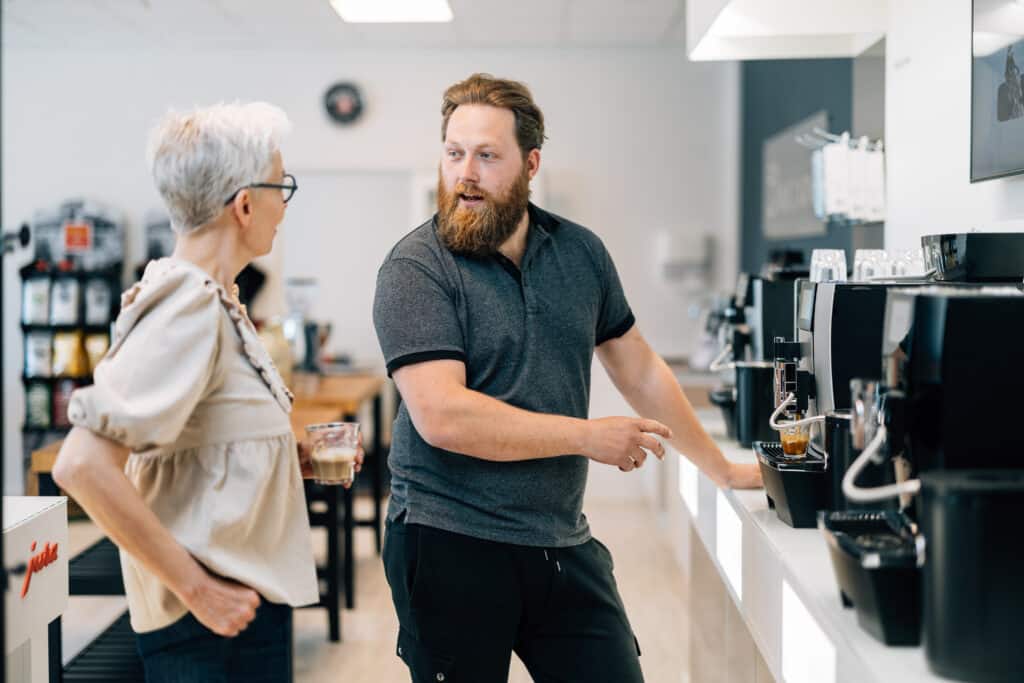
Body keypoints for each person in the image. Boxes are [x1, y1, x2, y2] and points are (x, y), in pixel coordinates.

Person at [373, 73, 762, 683]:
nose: (465, 172)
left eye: (486, 155)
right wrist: (585, 436)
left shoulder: (580, 253)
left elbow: (636, 365)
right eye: (454, 153)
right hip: (447, 540)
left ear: (530, 164)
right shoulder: (416, 268)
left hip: (558, 538)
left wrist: (724, 469)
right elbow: (443, 415)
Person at [53, 102, 362, 682]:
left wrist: (283, 458)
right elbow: (83, 466)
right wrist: (198, 590)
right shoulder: (189, 305)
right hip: (208, 623)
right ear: (245, 204)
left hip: (237, 607)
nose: (284, 208)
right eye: (281, 187)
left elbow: (192, 451)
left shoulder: (217, 302)